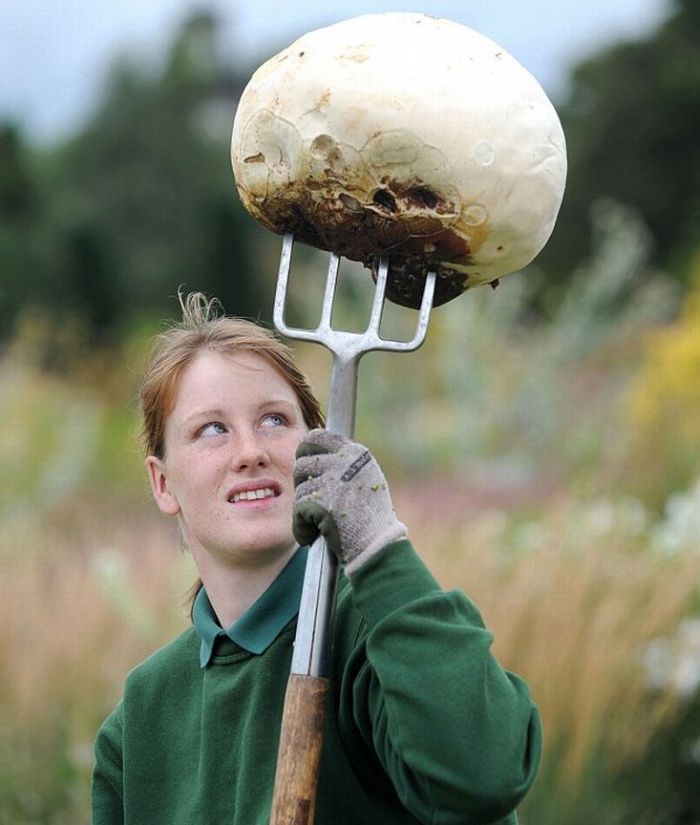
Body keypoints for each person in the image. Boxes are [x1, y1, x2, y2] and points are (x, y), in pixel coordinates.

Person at [92, 291, 542, 825]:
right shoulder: (142, 719)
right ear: (163, 484)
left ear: (317, 449)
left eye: (275, 420)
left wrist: (379, 548)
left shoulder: (377, 634)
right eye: (212, 429)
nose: (250, 452)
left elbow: (486, 775)